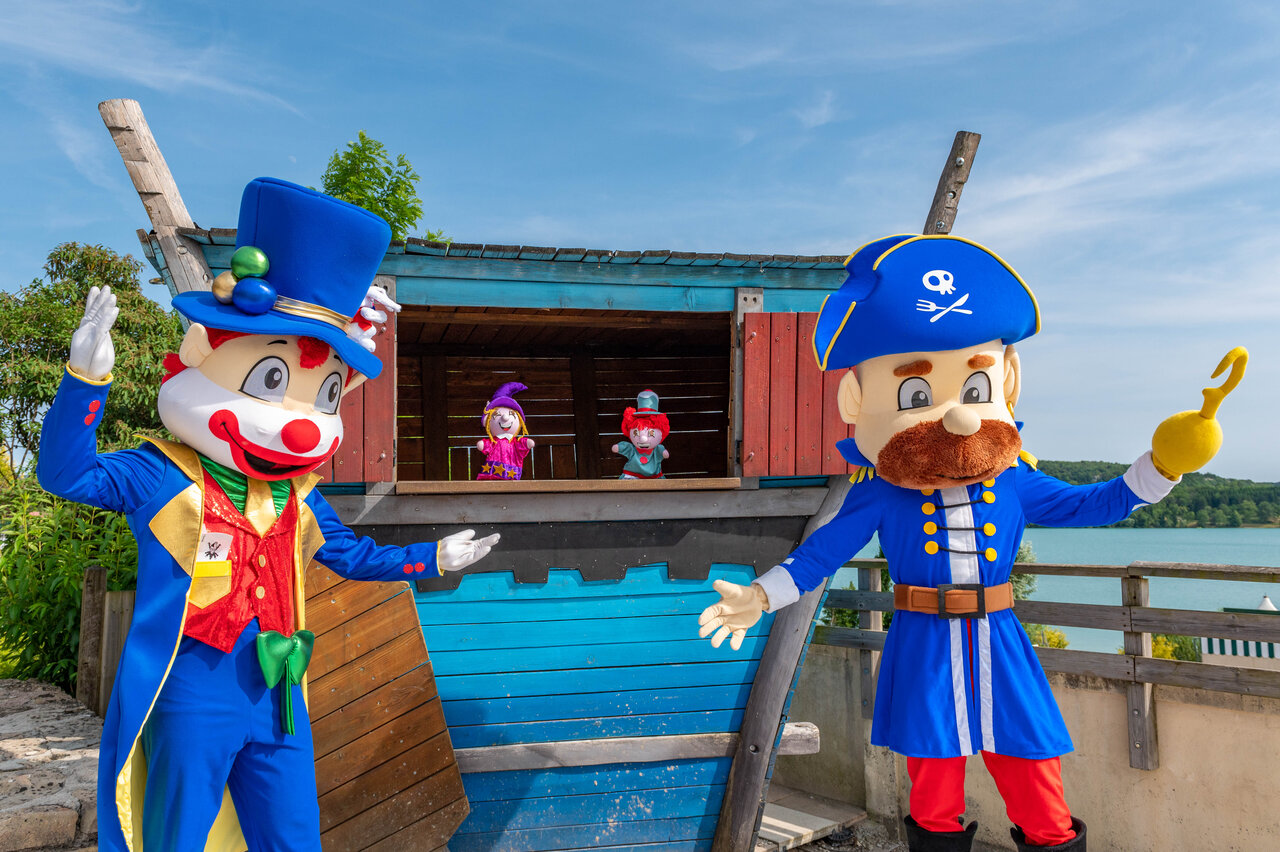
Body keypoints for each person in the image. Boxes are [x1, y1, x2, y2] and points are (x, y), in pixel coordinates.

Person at [698, 235, 1240, 852]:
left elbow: (1097, 503)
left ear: (1005, 381)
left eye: (975, 389)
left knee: (1039, 787)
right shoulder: (880, 490)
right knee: (933, 799)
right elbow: (824, 551)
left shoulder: (1014, 480)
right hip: (923, 645)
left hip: (1000, 643)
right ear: (858, 401)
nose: (957, 417)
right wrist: (762, 595)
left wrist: (1164, 465)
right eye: (916, 395)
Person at [39, 178, 499, 852]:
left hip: (278, 696)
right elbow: (67, 474)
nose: (303, 428)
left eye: (324, 395)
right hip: (192, 691)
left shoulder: (299, 495)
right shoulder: (164, 473)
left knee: (291, 839)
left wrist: (433, 558)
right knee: (178, 839)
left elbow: (351, 556)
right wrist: (86, 383)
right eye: (274, 382)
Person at [612, 390, 671, 479]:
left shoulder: (656, 450)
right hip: (632, 476)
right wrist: (619, 447)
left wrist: (663, 453)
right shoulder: (633, 450)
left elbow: (661, 452)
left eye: (650, 433)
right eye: (637, 432)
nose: (643, 439)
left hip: (653, 477)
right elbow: (626, 447)